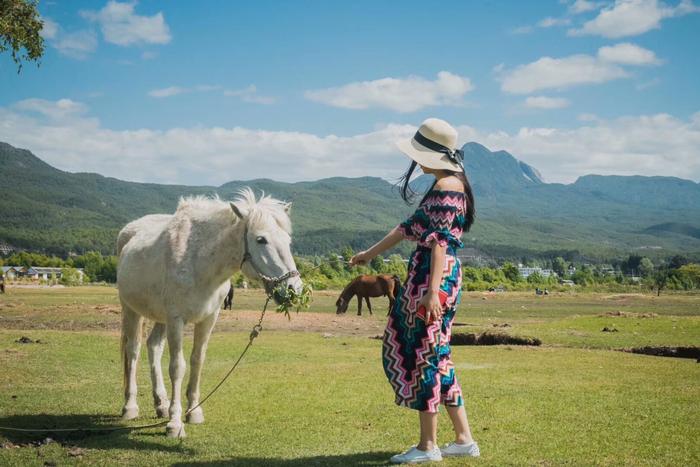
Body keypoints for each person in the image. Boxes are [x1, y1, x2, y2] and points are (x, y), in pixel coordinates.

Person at [350, 118, 479, 464]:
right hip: (439, 276)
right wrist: (369, 255)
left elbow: (438, 242)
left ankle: (427, 446)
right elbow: (408, 228)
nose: (416, 161)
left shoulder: (444, 188)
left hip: (432, 278)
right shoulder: (453, 184)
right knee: (438, 355)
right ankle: (463, 439)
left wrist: (431, 291)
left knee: (425, 355)